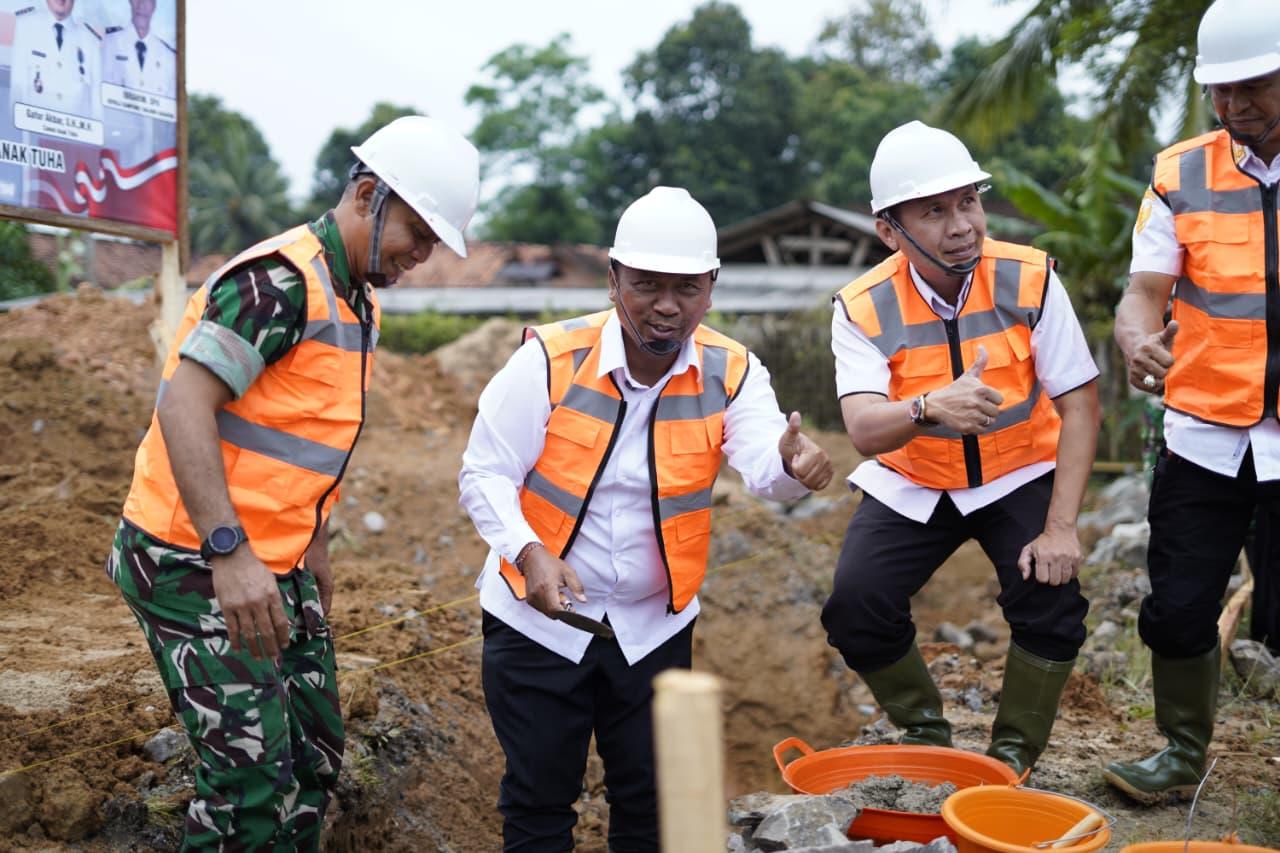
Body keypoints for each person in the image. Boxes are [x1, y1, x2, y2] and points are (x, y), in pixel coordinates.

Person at [106, 116, 479, 850]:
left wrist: (316, 546)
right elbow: (185, 403)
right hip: (189, 557)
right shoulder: (278, 282)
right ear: (369, 194)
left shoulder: (356, 299)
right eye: (418, 232)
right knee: (250, 787)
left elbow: (305, 438)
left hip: (274, 557)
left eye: (435, 242)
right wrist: (228, 552)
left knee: (313, 757)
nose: (422, 257)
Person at [459, 186, 834, 851]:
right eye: (647, 284)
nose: (667, 304)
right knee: (539, 803)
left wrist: (790, 464)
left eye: (686, 286)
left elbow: (763, 467)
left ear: (711, 287)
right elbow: (484, 472)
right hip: (538, 619)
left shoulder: (734, 372)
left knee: (653, 808)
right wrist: (527, 551)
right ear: (612, 280)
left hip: (652, 627)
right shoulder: (549, 359)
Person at [821, 121, 1101, 777]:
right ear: (890, 230)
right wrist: (927, 408)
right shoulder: (861, 307)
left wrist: (1061, 527)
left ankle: (1012, 755)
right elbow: (862, 427)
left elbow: (1080, 404)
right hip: (915, 477)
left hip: (1016, 471)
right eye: (935, 210)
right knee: (855, 604)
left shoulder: (1029, 279)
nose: (962, 224)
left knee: (1051, 597)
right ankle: (926, 731)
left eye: (969, 201)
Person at [1104, 0, 1280, 803]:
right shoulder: (1180, 173)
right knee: (1176, 608)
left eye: (1255, 87)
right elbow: (1142, 293)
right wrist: (1138, 338)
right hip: (1205, 431)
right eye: (1222, 92)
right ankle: (1179, 756)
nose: (1237, 105)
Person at [9, 0, 102, 119]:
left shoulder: (90, 41)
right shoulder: (26, 27)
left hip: (75, 133)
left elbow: (97, 104)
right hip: (35, 130)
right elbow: (17, 90)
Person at [102, 0, 176, 98]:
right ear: (130, 1)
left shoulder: (169, 57)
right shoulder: (108, 44)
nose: (141, 4)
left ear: (154, 5)